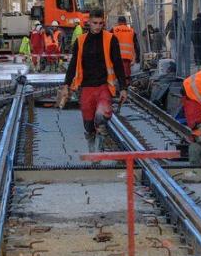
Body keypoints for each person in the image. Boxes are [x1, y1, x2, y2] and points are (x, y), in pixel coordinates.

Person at [60, 9, 128, 153]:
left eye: (101, 23)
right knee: (88, 122)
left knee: (101, 115)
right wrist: (66, 85)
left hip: (103, 85)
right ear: (89, 23)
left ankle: (100, 143)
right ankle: (91, 138)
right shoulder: (81, 41)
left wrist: (123, 87)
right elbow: (73, 64)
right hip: (86, 87)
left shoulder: (111, 39)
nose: (98, 26)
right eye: (95, 23)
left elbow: (118, 64)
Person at [111, 16, 141, 86]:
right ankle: (127, 85)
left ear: (118, 22)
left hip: (116, 55)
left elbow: (108, 42)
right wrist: (138, 57)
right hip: (127, 56)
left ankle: (121, 86)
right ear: (126, 22)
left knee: (118, 71)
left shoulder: (114, 29)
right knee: (126, 71)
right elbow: (137, 45)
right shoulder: (131, 30)